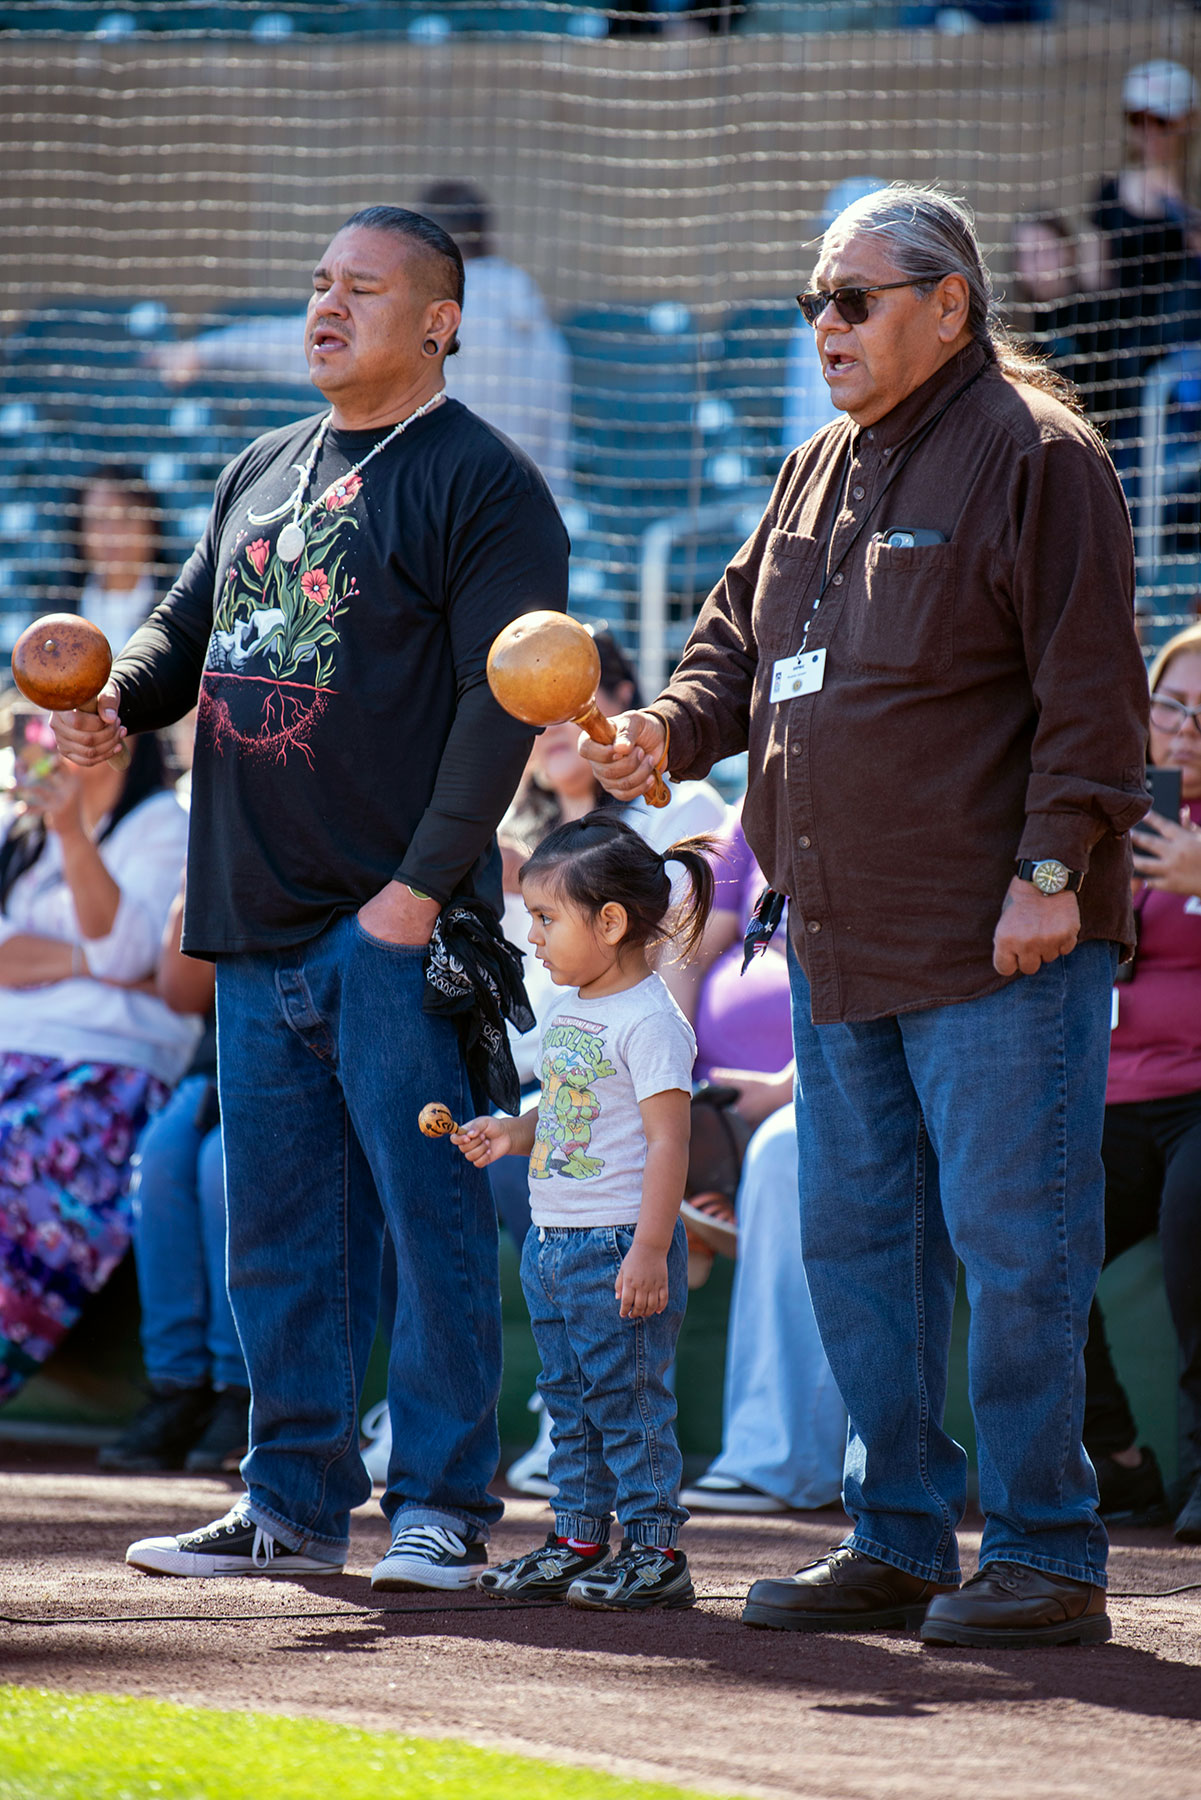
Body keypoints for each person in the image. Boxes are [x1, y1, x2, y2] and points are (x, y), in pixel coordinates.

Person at [580, 182, 1150, 1649]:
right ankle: (895, 1532)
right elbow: (731, 652)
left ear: (949, 303)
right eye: (811, 302)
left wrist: (1045, 877)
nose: (824, 324)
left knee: (1021, 1255)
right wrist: (664, 728)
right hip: (837, 936)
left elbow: (1093, 701)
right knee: (859, 1253)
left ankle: (1044, 1553)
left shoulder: (1041, 455)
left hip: (994, 939)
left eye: (854, 298)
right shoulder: (814, 467)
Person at [52, 204, 569, 1588]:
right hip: (251, 913)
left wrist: (413, 892)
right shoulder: (259, 467)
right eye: (318, 284)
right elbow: (182, 635)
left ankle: (445, 1511)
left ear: (441, 320)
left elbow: (498, 707)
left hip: (395, 927)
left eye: (364, 288)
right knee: (277, 1238)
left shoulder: (488, 485)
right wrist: (116, 701)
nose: (326, 306)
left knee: (428, 1221)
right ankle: (287, 1502)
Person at [452, 812, 712, 1609]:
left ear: (609, 921)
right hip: (553, 1242)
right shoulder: (574, 1012)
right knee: (569, 1405)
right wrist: (513, 1132)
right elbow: (570, 1116)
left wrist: (649, 1248)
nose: (531, 936)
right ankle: (578, 1538)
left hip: (615, 1246)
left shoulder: (652, 1021)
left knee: (626, 1405)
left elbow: (670, 1144)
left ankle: (655, 1550)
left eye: (544, 918)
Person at [0, 715, 196, 1403]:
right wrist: (94, 963)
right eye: (26, 724)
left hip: (108, 1071)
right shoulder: (14, 832)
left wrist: (71, 834)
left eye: (49, 724)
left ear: (118, 735)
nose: (31, 741)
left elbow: (132, 956)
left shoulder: (163, 826)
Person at [155, 181, 571, 499]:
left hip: (440, 512)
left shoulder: (432, 308)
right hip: (522, 522)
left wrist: (204, 351)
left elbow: (318, 341)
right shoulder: (549, 337)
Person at [1083, 621, 1201, 1545]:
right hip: (1106, 1097)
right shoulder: (1102, 812)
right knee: (1023, 1228)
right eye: (1172, 706)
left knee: (1192, 1223)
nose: (1185, 729)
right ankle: (1116, 1463)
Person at [97, 879, 248, 1475]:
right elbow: (183, 993)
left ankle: (241, 1393)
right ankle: (178, 1388)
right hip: (213, 1056)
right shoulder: (217, 828)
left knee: (220, 1167)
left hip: (296, 1048)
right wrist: (197, 887)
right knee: (160, 1160)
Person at [679, 1070, 847, 1517]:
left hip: (808, 1096)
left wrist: (780, 1089)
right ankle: (588, 1449)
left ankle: (782, 1457)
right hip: (704, 1120)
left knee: (782, 1147)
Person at [1090, 61, 1201, 460]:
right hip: (1121, 368)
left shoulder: (1191, 201)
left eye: (1161, 120)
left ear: (1186, 122)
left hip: (1181, 368)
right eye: (1137, 119)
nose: (1149, 131)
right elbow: (1093, 279)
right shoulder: (1108, 195)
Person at [75, 467, 168, 656]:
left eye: (126, 519)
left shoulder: (179, 606)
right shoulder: (57, 611)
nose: (112, 534)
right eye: (99, 520)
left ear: (152, 525)